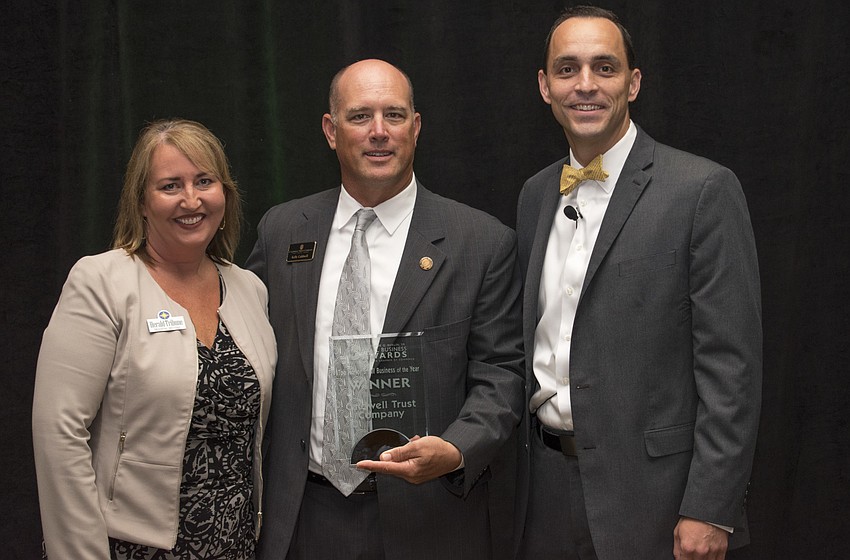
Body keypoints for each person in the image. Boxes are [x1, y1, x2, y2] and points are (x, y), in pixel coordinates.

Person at [246, 59, 524, 559]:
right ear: (331, 131)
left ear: (415, 128)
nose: (379, 132)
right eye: (360, 117)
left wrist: (458, 447)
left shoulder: (481, 242)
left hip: (430, 515)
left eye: (394, 116)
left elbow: (502, 374)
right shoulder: (283, 231)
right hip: (305, 514)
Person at [514, 6, 762, 560]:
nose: (585, 85)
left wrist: (710, 506)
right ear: (544, 86)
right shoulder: (535, 196)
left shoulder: (701, 190)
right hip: (543, 495)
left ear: (633, 82)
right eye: (567, 68)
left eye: (604, 67)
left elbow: (732, 368)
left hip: (657, 501)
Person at [32, 119, 277, 559]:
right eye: (170, 186)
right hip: (129, 548)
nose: (191, 200)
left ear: (225, 193)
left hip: (236, 545)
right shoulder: (102, 282)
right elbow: (59, 432)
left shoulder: (249, 289)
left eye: (204, 181)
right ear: (141, 203)